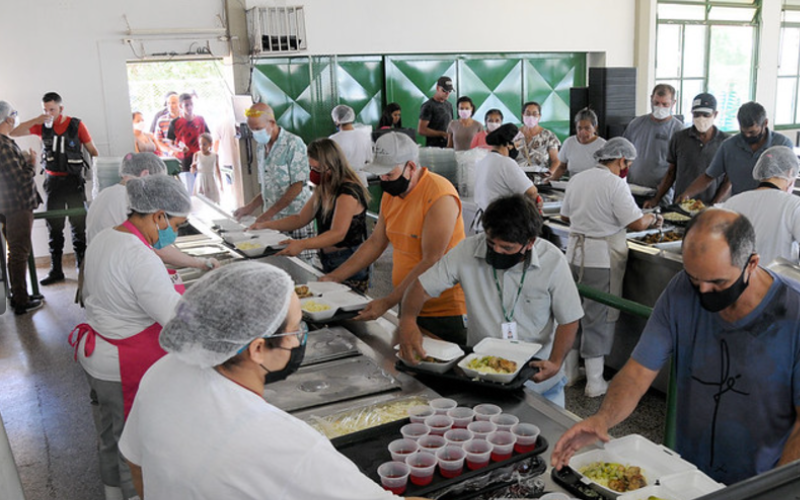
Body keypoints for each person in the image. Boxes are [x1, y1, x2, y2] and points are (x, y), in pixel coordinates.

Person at [118, 263, 428, 500]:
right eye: (296, 329)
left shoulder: (161, 372)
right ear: (257, 348)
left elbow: (137, 465)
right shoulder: (285, 445)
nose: (300, 339)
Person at [551, 209, 800, 486]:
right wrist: (602, 419)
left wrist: (774, 489)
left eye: (717, 282)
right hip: (686, 475)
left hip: (758, 482)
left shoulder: (793, 315)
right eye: (695, 278)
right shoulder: (681, 290)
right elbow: (637, 372)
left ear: (751, 263)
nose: (703, 292)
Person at [67, 175, 191, 500]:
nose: (173, 234)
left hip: (96, 356)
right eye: (175, 225)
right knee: (132, 448)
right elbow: (174, 317)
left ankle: (112, 494)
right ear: (158, 215)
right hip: (122, 365)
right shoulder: (139, 256)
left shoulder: (106, 238)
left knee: (109, 437)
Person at [397, 195, 583, 406]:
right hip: (481, 374)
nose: (497, 252)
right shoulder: (467, 251)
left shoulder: (553, 261)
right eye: (491, 243)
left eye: (507, 248)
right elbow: (421, 287)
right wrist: (407, 320)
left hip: (536, 378)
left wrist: (556, 362)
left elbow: (569, 319)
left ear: (530, 243)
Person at [321, 132, 468, 342]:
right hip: (407, 301)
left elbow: (431, 259)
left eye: (389, 174)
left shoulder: (439, 195)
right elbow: (375, 243)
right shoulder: (392, 195)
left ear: (411, 167)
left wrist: (388, 301)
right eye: (380, 175)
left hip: (443, 309)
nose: (383, 180)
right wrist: (335, 277)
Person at [560, 138, 663, 397]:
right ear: (621, 160)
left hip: (574, 255)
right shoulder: (615, 184)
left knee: (573, 313)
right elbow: (637, 223)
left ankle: (569, 373)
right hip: (600, 259)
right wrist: (652, 217)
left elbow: (565, 216)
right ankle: (595, 382)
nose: (627, 168)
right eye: (628, 163)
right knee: (599, 316)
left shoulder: (578, 179)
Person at [251, 139, 371, 292]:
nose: (313, 173)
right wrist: (265, 225)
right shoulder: (324, 187)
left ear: (332, 165)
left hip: (348, 260)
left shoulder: (348, 192)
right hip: (328, 258)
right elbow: (300, 219)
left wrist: (302, 244)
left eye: (318, 169)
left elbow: (337, 233)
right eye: (311, 168)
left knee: (348, 302)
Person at [12, 91, 99, 285]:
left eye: (52, 109)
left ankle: (83, 268)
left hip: (74, 182)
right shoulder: (41, 125)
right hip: (53, 183)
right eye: (45, 110)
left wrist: (97, 178)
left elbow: (94, 151)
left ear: (61, 108)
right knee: (54, 228)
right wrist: (36, 119)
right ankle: (56, 270)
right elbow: (13, 132)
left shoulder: (76, 125)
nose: (48, 113)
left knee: (79, 227)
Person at [85, 153, 220, 271]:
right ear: (145, 175)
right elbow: (160, 250)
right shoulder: (131, 201)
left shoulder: (104, 194)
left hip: (98, 272)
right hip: (116, 273)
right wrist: (200, 263)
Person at [234, 103, 315, 252]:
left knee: (299, 260)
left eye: (258, 129)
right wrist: (250, 207)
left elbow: (297, 186)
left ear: (272, 123)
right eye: (252, 129)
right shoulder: (261, 147)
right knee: (276, 256)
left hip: (295, 218)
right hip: (272, 221)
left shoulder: (293, 144)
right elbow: (267, 187)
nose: (255, 133)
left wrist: (267, 215)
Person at [679, 101, 794, 202]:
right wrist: (687, 194)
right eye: (743, 132)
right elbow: (708, 176)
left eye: (752, 132)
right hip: (740, 206)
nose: (747, 136)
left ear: (765, 123)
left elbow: (787, 181)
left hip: (772, 206)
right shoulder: (729, 146)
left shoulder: (782, 145)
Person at [644, 93, 729, 208]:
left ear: (715, 114)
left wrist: (714, 205)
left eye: (706, 115)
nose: (701, 119)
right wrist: (656, 199)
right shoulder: (680, 138)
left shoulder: (725, 142)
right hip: (682, 204)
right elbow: (671, 173)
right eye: (696, 114)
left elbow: (728, 180)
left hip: (712, 206)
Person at [0, 101, 43, 315]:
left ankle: (19, 295)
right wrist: (31, 163)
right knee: (19, 252)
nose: (16, 117)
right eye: (14, 114)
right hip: (17, 206)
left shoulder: (6, 143)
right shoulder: (4, 145)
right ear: (8, 118)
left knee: (16, 251)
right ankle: (21, 301)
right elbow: (19, 179)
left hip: (10, 205)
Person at [723, 146, 800, 264]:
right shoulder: (794, 205)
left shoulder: (732, 202)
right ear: (790, 172)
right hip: (778, 275)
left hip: (739, 274)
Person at [623, 84, 684, 205]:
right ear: (651, 99)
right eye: (656, 103)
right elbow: (623, 154)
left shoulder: (678, 130)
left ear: (673, 103)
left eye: (665, 104)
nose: (660, 107)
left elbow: (677, 167)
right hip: (631, 190)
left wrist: (658, 196)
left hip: (660, 195)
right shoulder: (636, 124)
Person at [474, 124, 538, 227]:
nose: (518, 147)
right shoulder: (506, 163)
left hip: (484, 221)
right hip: (502, 224)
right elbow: (532, 192)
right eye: (518, 143)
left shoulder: (482, 161)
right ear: (509, 144)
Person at [167, 92, 210, 195]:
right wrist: (178, 149)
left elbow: (208, 138)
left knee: (204, 191)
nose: (189, 107)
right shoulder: (175, 123)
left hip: (201, 159)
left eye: (191, 104)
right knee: (190, 191)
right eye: (186, 105)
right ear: (181, 106)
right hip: (185, 162)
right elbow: (170, 143)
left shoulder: (200, 120)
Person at [550, 107, 606, 181]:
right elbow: (562, 167)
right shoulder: (569, 142)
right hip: (573, 183)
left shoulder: (603, 145)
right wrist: (552, 179)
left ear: (595, 128)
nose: (582, 132)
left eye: (587, 128)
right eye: (579, 128)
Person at [329, 104, 372, 185]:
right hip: (360, 180)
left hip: (343, 180)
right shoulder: (364, 136)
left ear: (337, 119)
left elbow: (330, 163)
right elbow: (369, 159)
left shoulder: (333, 139)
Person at [514, 101, 561, 172]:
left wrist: (549, 175)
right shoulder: (514, 134)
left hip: (540, 177)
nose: (531, 117)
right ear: (522, 114)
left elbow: (556, 161)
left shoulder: (548, 136)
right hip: (516, 176)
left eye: (535, 114)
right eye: (528, 114)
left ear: (539, 116)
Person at [418, 76, 454, 148]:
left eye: (449, 91)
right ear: (437, 88)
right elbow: (421, 130)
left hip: (448, 147)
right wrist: (442, 134)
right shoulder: (428, 106)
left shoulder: (449, 105)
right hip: (433, 148)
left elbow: (451, 125)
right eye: (444, 90)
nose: (447, 93)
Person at [192, 132, 222, 203]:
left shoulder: (215, 155)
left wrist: (221, 183)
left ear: (210, 144)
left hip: (211, 180)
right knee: (201, 200)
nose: (202, 147)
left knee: (212, 200)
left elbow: (218, 170)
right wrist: (193, 167)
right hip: (201, 180)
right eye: (200, 144)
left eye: (204, 144)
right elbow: (192, 171)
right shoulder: (197, 155)